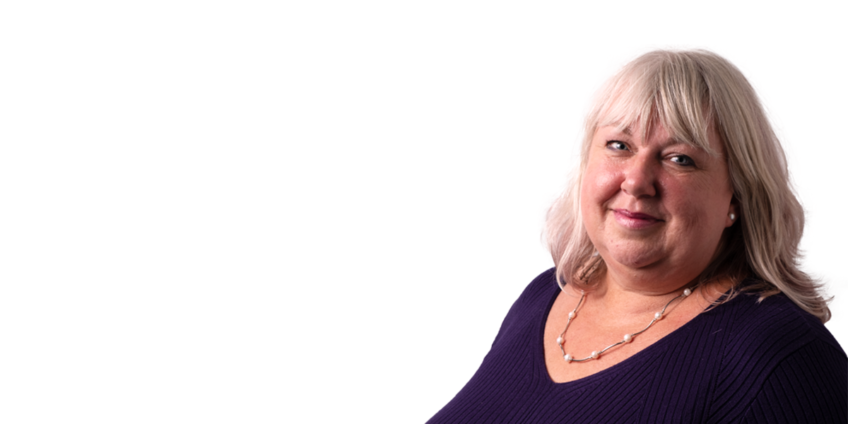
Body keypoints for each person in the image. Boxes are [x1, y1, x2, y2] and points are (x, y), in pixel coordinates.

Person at [427, 50, 847, 423]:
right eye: (619, 145)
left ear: (736, 196)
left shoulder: (778, 358)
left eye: (680, 158)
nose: (637, 181)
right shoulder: (545, 295)